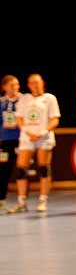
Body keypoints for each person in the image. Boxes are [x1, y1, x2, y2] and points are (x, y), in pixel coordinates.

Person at [7, 74, 60, 213]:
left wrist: (42, 131)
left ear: (42, 83)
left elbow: (55, 119)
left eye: (36, 82)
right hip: (27, 137)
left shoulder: (49, 98)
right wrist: (27, 130)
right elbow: (18, 119)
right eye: (31, 83)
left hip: (43, 137)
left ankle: (43, 200)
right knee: (20, 170)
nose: (34, 85)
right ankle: (21, 202)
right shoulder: (25, 99)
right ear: (28, 85)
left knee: (43, 169)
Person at [0, 75, 22, 211]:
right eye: (12, 85)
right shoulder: (1, 102)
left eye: (17, 84)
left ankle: (22, 200)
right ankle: (1, 199)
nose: (15, 88)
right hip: (6, 141)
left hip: (22, 140)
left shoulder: (24, 100)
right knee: (3, 170)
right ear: (4, 87)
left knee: (21, 170)